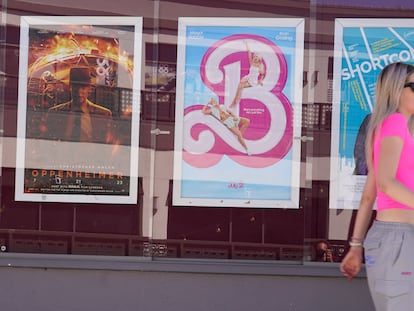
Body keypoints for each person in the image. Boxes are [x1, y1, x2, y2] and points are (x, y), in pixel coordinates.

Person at [340, 62, 414, 311]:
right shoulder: (395, 123)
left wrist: (355, 245)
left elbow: (369, 195)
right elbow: (385, 183)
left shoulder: (383, 128)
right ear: (396, 90)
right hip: (399, 239)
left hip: (391, 239)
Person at [46, 66, 113, 143]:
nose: (79, 92)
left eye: (83, 88)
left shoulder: (104, 115)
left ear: (89, 89)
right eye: (76, 87)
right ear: (70, 87)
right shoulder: (55, 113)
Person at [230, 41, 266, 108]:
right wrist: (246, 44)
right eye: (254, 56)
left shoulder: (260, 66)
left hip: (253, 81)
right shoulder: (252, 63)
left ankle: (234, 102)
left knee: (240, 86)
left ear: (259, 58)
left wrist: (261, 81)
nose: (255, 57)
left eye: (256, 56)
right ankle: (235, 102)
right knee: (240, 85)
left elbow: (263, 74)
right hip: (248, 78)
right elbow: (249, 52)